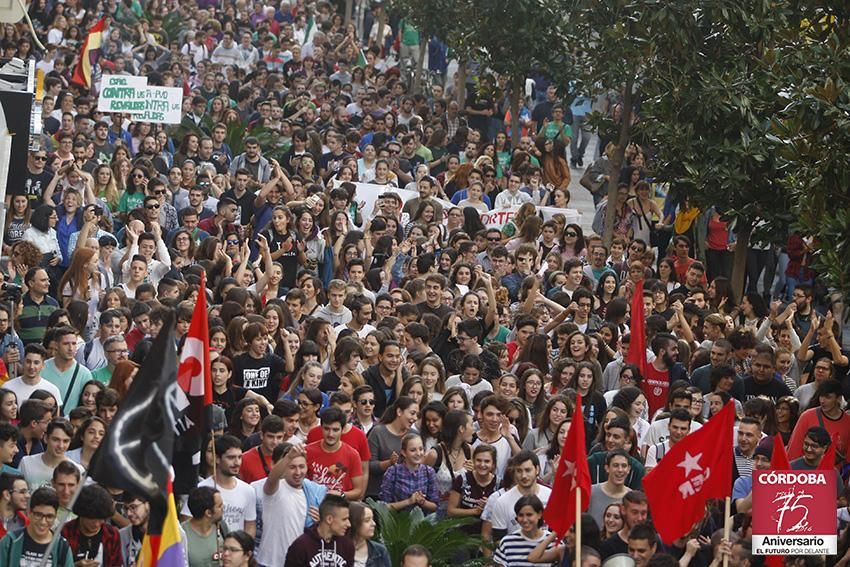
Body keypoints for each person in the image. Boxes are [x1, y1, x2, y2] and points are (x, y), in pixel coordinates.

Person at [258, 443, 327, 567]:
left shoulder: (311, 494)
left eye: (302, 467)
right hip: (269, 562)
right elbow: (272, 477)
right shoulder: (275, 489)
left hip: (297, 562)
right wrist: (289, 457)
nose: (298, 472)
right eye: (292, 467)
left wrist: (320, 524)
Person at [181, 435, 256, 536]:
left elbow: (250, 525)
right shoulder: (201, 488)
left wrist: (244, 548)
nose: (237, 462)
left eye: (239, 457)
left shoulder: (248, 490)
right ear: (217, 458)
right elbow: (187, 520)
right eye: (231, 457)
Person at [482, 450, 551, 545]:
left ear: (537, 470)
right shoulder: (502, 502)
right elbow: (498, 539)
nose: (523, 476)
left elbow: (557, 531)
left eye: (528, 470)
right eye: (519, 471)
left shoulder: (551, 496)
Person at [0, 486, 74, 567]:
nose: (43, 522)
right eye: (38, 515)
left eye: (49, 516)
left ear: (55, 516)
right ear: (29, 513)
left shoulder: (62, 547)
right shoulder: (10, 541)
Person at [305, 407, 365, 500]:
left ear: (342, 429)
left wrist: (340, 495)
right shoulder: (307, 451)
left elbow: (358, 491)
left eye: (335, 430)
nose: (330, 434)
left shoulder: (352, 455)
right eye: (327, 429)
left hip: (339, 507)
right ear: (321, 427)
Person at [284, 494, 354, 567]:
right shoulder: (300, 546)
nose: (349, 524)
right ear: (329, 519)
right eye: (344, 519)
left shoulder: (347, 545)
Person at [60, 484, 123, 566]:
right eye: (91, 519)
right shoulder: (65, 532)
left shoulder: (112, 534)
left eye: (101, 519)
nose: (96, 524)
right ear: (81, 514)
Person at [493, 494, 553, 567]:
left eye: (529, 515)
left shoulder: (553, 542)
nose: (524, 520)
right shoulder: (507, 543)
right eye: (521, 515)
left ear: (539, 514)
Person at [182, 487, 226, 567]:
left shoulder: (222, 527)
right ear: (208, 513)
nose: (223, 508)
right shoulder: (182, 534)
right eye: (220, 506)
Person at [598, 491, 649, 559]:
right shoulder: (608, 546)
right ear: (623, 510)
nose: (639, 518)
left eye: (643, 513)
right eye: (634, 512)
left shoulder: (654, 541)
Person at [588, 449, 632, 527]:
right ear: (607, 468)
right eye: (615, 465)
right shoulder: (591, 492)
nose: (620, 470)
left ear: (629, 469)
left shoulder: (632, 498)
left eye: (624, 466)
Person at [348, 501, 391, 567]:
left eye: (372, 519)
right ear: (354, 522)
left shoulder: (380, 551)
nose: (373, 524)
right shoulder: (336, 549)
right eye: (367, 520)